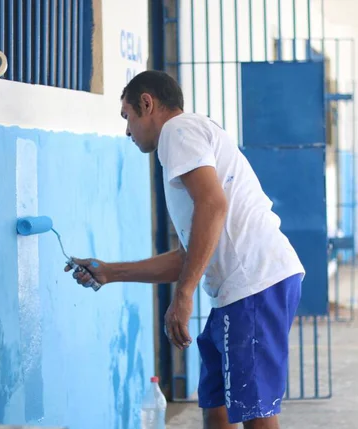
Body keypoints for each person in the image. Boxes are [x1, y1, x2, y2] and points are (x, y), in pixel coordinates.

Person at [66, 70, 305, 429]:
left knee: (255, 408)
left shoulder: (177, 131)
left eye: (127, 117)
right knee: (216, 400)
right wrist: (110, 272)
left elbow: (214, 203)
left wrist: (185, 295)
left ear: (147, 104)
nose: (127, 131)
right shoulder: (187, 140)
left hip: (255, 281)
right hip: (241, 288)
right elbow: (189, 254)